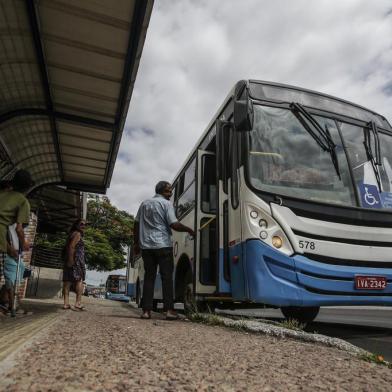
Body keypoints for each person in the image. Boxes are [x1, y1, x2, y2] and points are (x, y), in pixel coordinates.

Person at [134, 181, 195, 320]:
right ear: (161, 191)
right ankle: (169, 310)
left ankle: (146, 312)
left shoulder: (144, 203)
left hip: (147, 247)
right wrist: (189, 230)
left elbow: (136, 223)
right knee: (167, 278)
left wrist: (136, 243)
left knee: (149, 277)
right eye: (168, 191)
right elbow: (174, 224)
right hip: (163, 245)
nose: (171, 193)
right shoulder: (166, 204)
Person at [0, 171, 32, 294]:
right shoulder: (23, 201)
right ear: (27, 187)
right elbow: (19, 229)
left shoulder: (2, 193)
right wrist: (24, 243)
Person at [62, 218, 87, 311]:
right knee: (79, 280)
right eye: (81, 224)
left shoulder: (71, 234)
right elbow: (72, 246)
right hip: (76, 261)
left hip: (70, 260)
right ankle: (78, 303)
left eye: (85, 225)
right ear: (76, 225)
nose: (83, 226)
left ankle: (66, 304)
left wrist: (69, 259)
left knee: (67, 281)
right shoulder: (77, 234)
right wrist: (71, 260)